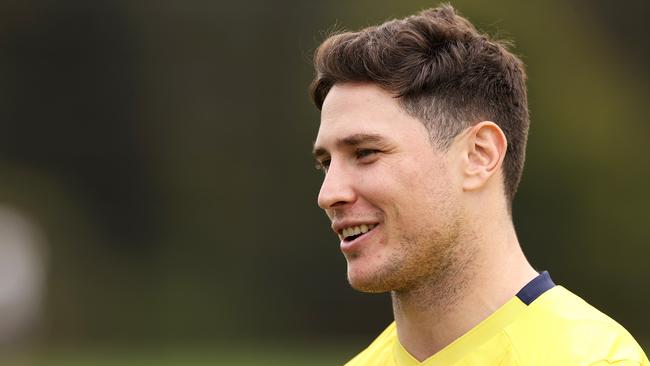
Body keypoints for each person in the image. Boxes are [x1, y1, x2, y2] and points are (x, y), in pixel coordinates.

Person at [309, 4, 649, 366]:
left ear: (478, 155)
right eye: (326, 163)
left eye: (365, 152)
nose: (328, 194)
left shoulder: (591, 359)